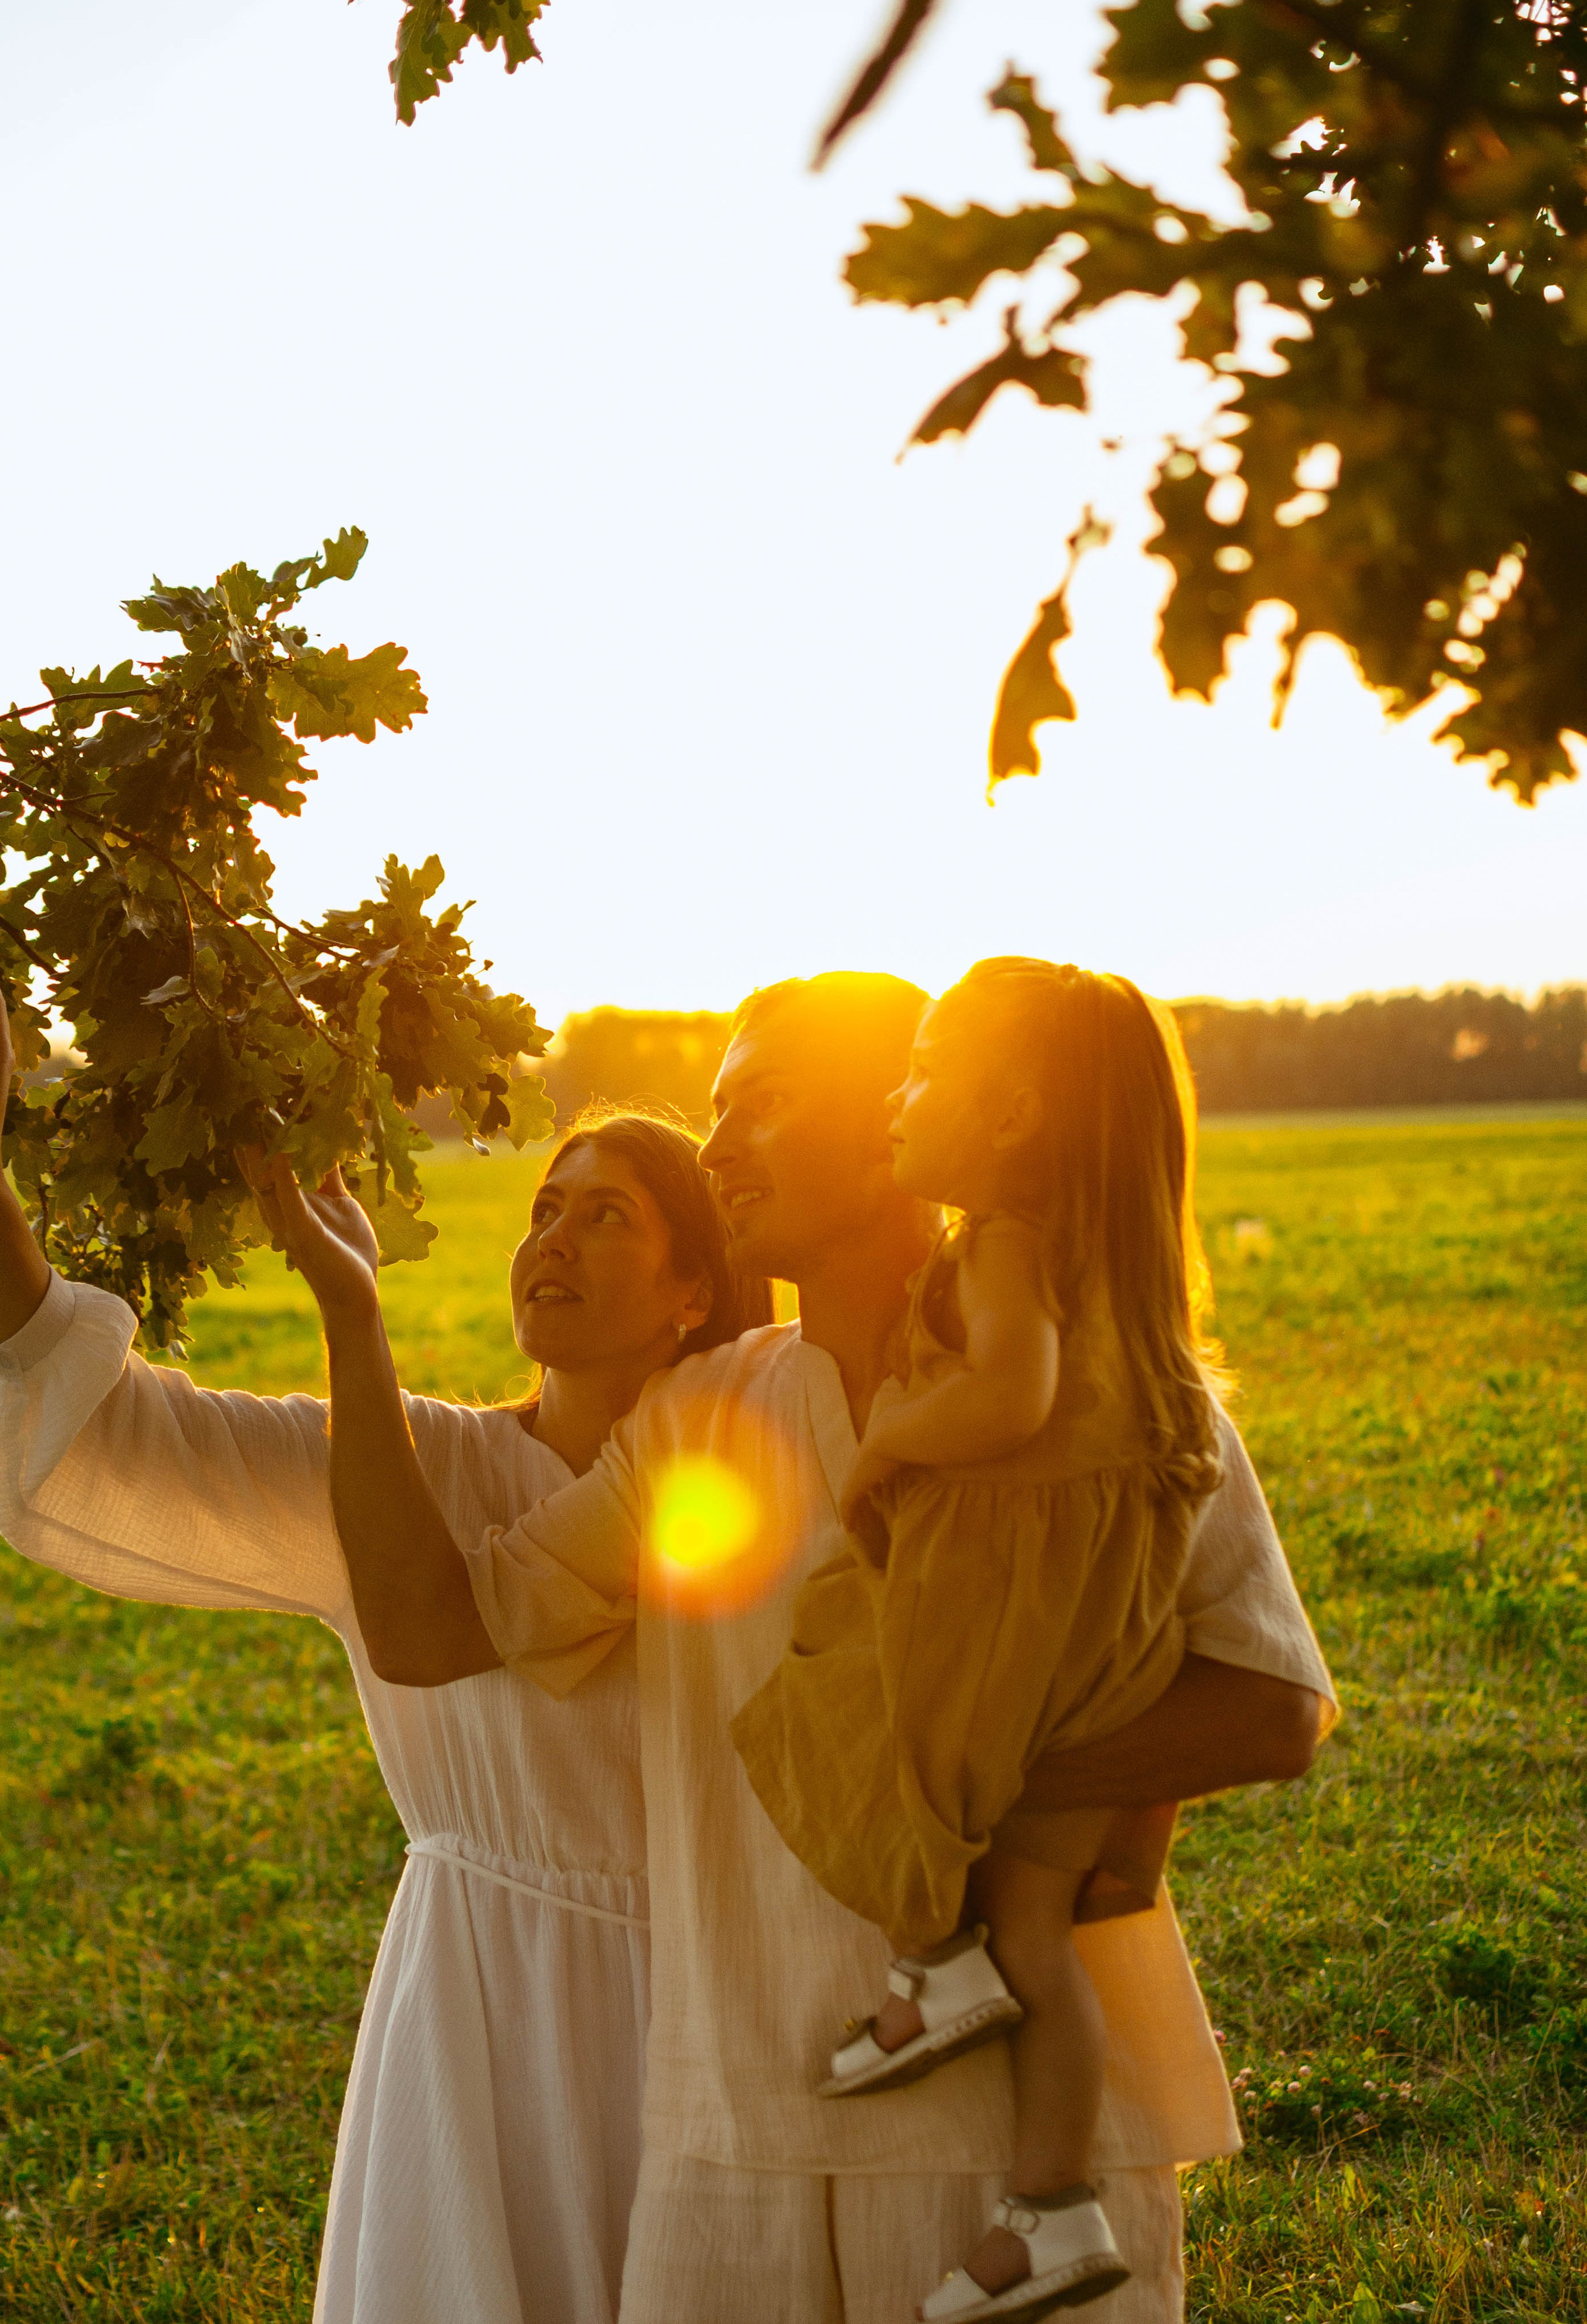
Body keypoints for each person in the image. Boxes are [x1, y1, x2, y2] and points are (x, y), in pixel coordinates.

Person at [311, 971, 1338, 2324]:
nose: (720, 1148)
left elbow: (1272, 1705)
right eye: (719, 1109)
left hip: (1024, 2150)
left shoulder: (1098, 1371)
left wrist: (971, 1791)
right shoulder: (694, 1424)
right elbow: (433, 1629)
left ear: (895, 1115)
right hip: (732, 2136)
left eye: (767, 1103)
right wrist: (350, 1318)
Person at [0, 991, 768, 2324]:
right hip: (471, 2011)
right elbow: (110, 1426)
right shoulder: (406, 1466)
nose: (553, 1239)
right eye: (544, 1205)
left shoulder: (758, 1475)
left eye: (607, 1216)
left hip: (706, 2022)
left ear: (694, 1289)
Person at [733, 960, 1228, 2319]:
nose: (899, 1095)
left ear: (1008, 1116)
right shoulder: (1106, 1274)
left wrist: (886, 1440)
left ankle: (923, 1962)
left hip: (1014, 1613)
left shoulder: (1003, 1239)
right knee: (1034, 1927)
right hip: (1095, 1627)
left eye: (923, 1069)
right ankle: (1046, 2209)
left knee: (837, 1702)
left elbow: (1011, 1390)